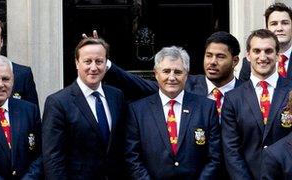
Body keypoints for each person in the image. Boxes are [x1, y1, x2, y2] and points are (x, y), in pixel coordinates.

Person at [125, 46, 221, 179]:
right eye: (166, 71)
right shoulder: (137, 110)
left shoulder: (206, 108)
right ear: (156, 73)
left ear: (186, 75)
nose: (172, 77)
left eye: (178, 72)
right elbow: (132, 157)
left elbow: (215, 157)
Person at [42, 38, 127, 179]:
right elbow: (53, 158)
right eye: (87, 61)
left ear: (106, 64)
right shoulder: (58, 102)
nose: (93, 68)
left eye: (99, 61)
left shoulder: (116, 96)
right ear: (77, 63)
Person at [103, 31, 242, 116]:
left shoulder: (247, 93)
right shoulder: (185, 84)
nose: (212, 62)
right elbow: (139, 85)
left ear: (235, 61)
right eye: (208, 55)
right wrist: (105, 63)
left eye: (220, 57)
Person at [222, 29, 292, 180]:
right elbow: (231, 150)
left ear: (278, 55)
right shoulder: (233, 98)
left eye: (268, 51)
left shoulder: (291, 91)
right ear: (248, 55)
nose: (262, 57)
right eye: (256, 51)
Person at [0, 55, 42, 179]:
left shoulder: (30, 111)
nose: (0, 84)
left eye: (5, 79)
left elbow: (40, 154)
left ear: (13, 80)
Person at [239, 2, 292, 81]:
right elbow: (242, 91)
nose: (279, 28)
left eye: (285, 23)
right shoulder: (249, 62)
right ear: (267, 29)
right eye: (274, 24)